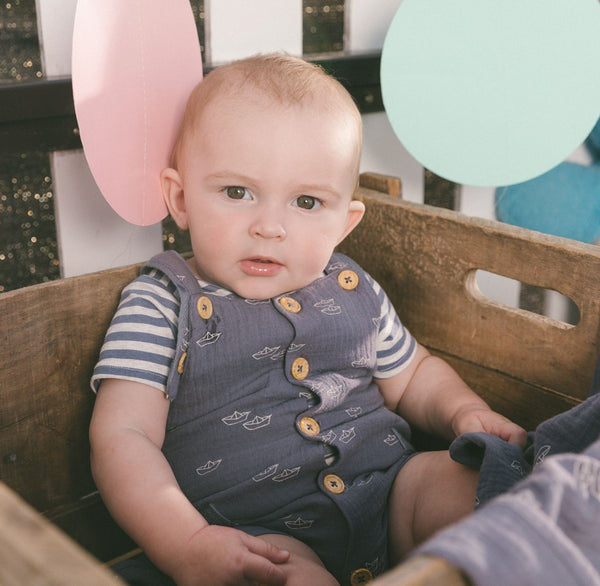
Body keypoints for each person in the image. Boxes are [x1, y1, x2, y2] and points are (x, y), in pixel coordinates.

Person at [89, 53, 526, 586]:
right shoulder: (162, 305)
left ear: (345, 222)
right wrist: (187, 544)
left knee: (488, 493)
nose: (269, 226)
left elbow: (412, 375)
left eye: (306, 202)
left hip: (391, 490)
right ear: (180, 199)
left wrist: (465, 411)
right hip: (263, 533)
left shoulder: (351, 286)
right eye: (237, 192)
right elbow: (123, 435)